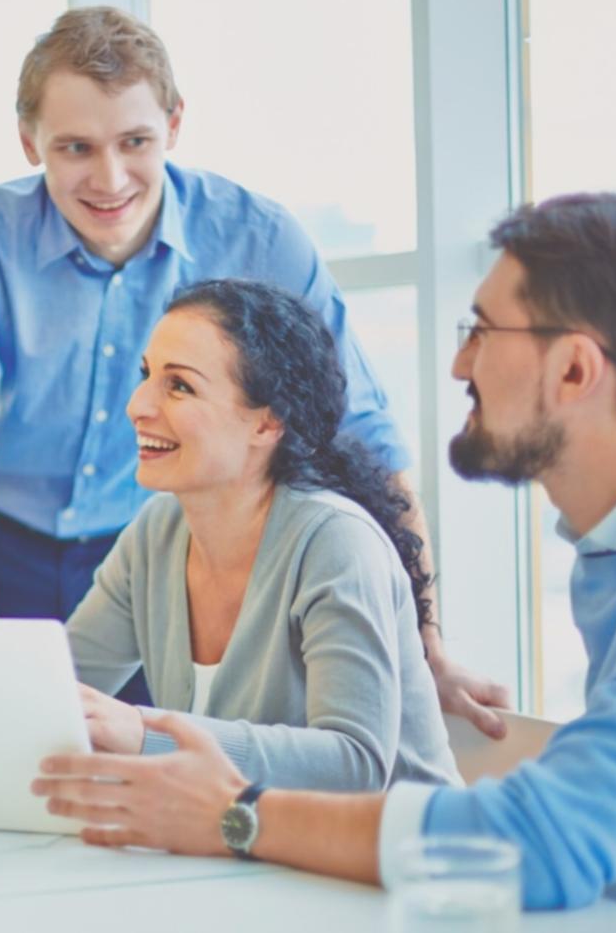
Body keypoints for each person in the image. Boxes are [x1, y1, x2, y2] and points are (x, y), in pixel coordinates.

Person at [32, 192, 616, 928]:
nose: (460, 362)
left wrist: (235, 815)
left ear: (576, 371)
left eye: (483, 331)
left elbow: (540, 845)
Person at [0, 6, 506, 731]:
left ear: (176, 126)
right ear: (29, 141)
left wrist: (426, 649)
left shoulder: (260, 237)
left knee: (171, 771)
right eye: (75, 148)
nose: (110, 178)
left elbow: (365, 442)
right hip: (7, 548)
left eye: (135, 141)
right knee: (0, 751)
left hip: (173, 555)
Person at [67, 279, 459, 790]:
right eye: (146, 375)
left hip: (398, 860)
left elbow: (356, 766)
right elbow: (56, 694)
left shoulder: (335, 542)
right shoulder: (154, 535)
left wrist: (144, 733)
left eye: (179, 385)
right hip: (257, 859)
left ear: (268, 423)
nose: (137, 404)